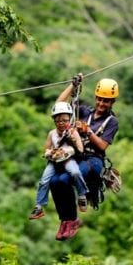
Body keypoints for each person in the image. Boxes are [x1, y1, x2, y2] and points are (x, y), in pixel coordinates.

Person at [49, 75, 119, 240]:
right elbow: (59, 104)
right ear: (95, 98)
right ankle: (67, 220)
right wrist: (72, 86)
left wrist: (88, 131)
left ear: (112, 103)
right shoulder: (84, 112)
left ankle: (71, 220)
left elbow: (102, 145)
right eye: (100, 100)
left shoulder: (111, 121)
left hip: (94, 160)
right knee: (55, 181)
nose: (102, 104)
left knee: (71, 177)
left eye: (106, 101)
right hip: (78, 156)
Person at [28, 101, 89, 220]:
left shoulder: (73, 132)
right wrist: (50, 153)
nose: (61, 123)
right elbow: (46, 149)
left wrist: (73, 141)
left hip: (68, 159)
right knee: (44, 180)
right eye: (58, 121)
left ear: (70, 120)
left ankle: (82, 195)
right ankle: (39, 206)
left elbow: (80, 150)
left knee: (75, 172)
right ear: (54, 121)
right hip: (55, 161)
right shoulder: (52, 134)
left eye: (65, 120)